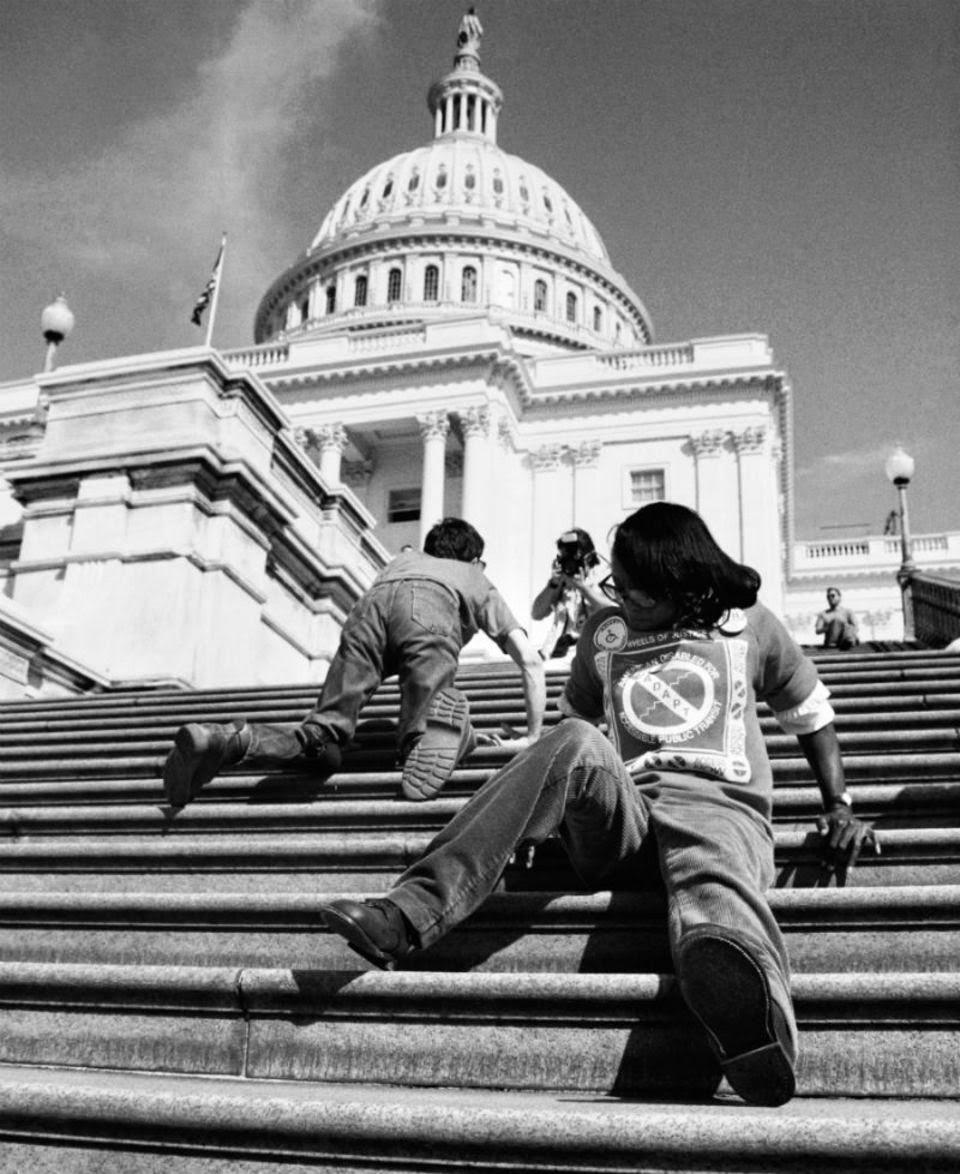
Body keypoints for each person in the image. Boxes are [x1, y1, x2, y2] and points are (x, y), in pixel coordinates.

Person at [319, 502, 878, 1107]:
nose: (621, 599)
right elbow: (571, 737)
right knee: (576, 739)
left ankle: (752, 1026)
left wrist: (839, 804)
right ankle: (408, 912)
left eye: (638, 593)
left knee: (714, 885)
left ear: (686, 586)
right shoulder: (603, 633)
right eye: (618, 584)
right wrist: (540, 818)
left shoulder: (747, 627)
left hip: (720, 810)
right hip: (627, 819)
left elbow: (812, 716)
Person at [163, 517, 545, 807]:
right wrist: (532, 735)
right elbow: (529, 660)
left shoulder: (400, 562)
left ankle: (226, 739)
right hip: (429, 613)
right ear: (477, 560)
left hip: (369, 612)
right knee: (424, 728)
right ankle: (437, 734)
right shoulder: (471, 576)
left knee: (321, 740)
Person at [531, 528, 607, 658]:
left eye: (569, 558)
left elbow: (614, 612)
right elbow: (537, 613)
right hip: (555, 654)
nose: (567, 563)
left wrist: (583, 588)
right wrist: (553, 583)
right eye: (562, 558)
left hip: (590, 656)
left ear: (586, 558)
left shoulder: (603, 578)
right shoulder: (562, 581)